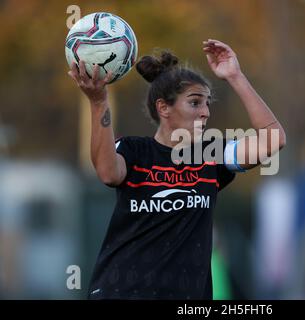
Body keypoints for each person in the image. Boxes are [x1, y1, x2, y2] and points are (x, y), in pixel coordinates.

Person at [68, 39, 286, 299]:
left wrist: (235, 76)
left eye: (207, 104)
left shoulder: (210, 154)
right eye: (195, 103)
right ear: (163, 108)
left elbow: (274, 139)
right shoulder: (134, 150)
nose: (205, 112)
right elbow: (108, 172)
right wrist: (98, 102)